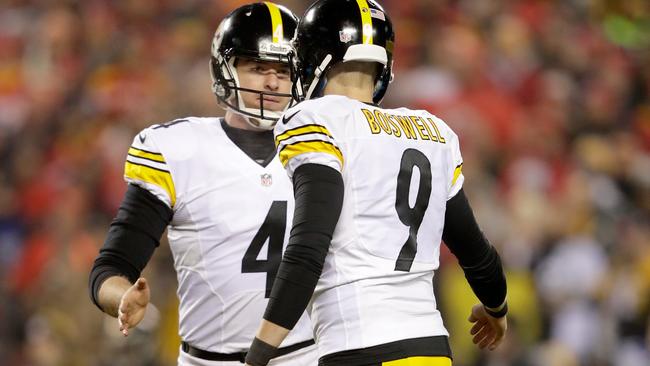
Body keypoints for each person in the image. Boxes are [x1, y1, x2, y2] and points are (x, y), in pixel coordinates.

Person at [243, 1, 508, 365]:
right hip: (430, 349)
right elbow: (477, 253)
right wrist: (496, 307)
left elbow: (309, 247)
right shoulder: (432, 130)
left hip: (361, 346)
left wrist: (258, 354)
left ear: (315, 57)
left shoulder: (318, 119)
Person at [88, 3, 318, 365]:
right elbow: (112, 266)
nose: (273, 82)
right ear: (226, 69)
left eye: (284, 71)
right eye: (258, 68)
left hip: (306, 356)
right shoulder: (179, 151)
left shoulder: (323, 148)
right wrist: (122, 299)